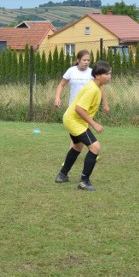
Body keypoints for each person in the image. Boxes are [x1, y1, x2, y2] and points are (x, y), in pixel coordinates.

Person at [54, 61, 112, 191]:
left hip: (70, 119)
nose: (109, 76)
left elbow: (100, 92)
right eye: (107, 74)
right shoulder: (92, 89)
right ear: (98, 76)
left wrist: (105, 104)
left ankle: (62, 175)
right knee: (95, 147)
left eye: (110, 73)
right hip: (75, 120)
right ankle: (84, 182)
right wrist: (94, 124)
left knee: (77, 147)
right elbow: (79, 109)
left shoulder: (96, 86)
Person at [55, 49, 109, 113]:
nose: (86, 62)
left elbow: (100, 88)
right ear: (78, 60)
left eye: (88, 60)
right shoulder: (71, 71)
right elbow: (61, 85)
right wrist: (57, 98)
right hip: (73, 106)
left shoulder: (92, 72)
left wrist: (105, 104)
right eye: (84, 60)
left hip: (88, 107)